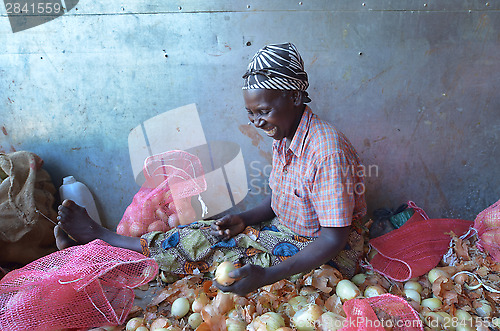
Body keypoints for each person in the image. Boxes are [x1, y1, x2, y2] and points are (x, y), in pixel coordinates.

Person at [54, 42, 367, 297]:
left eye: (264, 111)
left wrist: (268, 276)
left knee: (214, 253)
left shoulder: (327, 152)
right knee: (205, 231)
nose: (257, 122)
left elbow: (332, 240)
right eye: (251, 114)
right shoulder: (285, 134)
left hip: (325, 252)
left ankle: (102, 241)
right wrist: (244, 218)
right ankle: (102, 250)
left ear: (295, 97)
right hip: (285, 231)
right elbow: (278, 202)